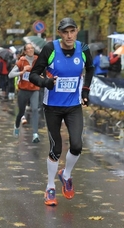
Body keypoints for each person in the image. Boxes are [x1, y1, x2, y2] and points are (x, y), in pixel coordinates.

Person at [29, 17, 94, 206]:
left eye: (72, 31)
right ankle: (50, 187)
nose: (69, 35)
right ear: (60, 33)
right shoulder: (50, 49)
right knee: (56, 148)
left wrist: (85, 91)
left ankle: (65, 175)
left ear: (76, 31)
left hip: (73, 106)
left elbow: (90, 69)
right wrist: (46, 83)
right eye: (65, 32)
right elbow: (34, 74)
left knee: (76, 145)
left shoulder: (83, 49)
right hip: (53, 107)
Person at [9, 43, 41, 143]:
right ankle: (17, 125)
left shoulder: (38, 60)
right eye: (28, 49)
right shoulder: (21, 61)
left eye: (32, 48)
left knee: (35, 109)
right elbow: (10, 74)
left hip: (35, 89)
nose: (31, 50)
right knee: (21, 112)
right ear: (25, 51)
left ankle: (35, 134)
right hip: (23, 90)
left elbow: (45, 71)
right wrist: (22, 72)